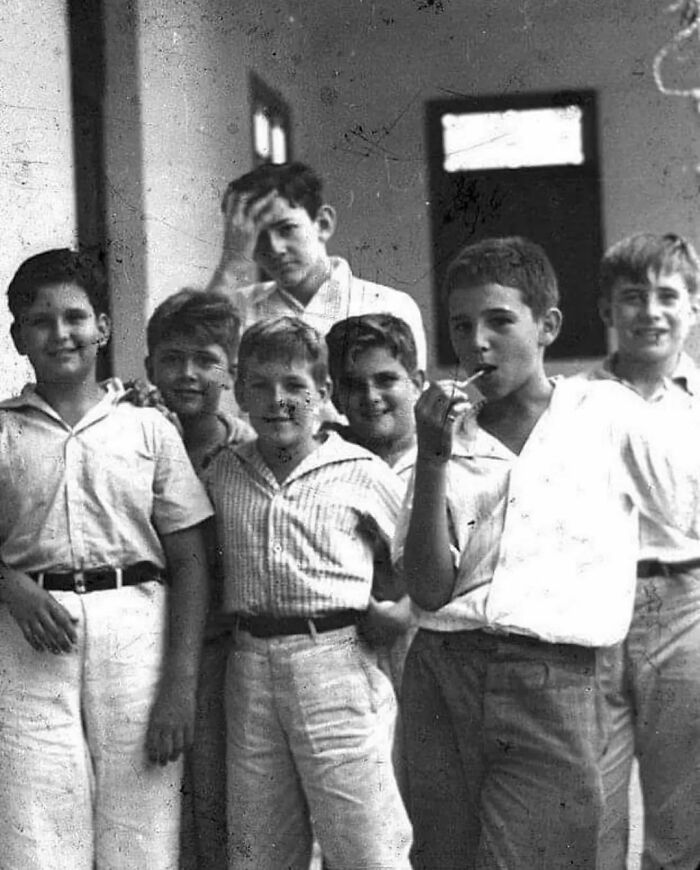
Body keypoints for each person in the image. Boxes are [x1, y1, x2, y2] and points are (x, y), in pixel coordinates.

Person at [396, 236, 700, 870]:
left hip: (551, 678)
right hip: (442, 673)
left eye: (499, 321)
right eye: (461, 326)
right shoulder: (450, 436)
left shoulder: (604, 412)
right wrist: (432, 455)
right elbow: (427, 588)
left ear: (548, 326)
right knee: (442, 858)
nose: (478, 342)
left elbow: (689, 508)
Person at [0, 248, 213, 870]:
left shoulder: (148, 428)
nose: (60, 334)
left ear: (103, 326)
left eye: (74, 317)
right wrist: (10, 585)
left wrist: (179, 683)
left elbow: (190, 559)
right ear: (17, 337)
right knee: (37, 837)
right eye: (40, 321)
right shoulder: (4, 431)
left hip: (136, 635)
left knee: (141, 836)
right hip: (28, 636)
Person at [204, 316, 412, 870]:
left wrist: (402, 609)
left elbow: (419, 562)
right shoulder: (223, 472)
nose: (278, 401)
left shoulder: (361, 471)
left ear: (323, 393)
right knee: (260, 849)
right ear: (239, 392)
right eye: (261, 385)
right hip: (250, 665)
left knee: (366, 845)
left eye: (295, 386)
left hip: (336, 660)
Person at [588, 232, 700, 870]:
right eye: (633, 297)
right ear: (607, 309)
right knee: (592, 801)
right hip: (597, 607)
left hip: (686, 606)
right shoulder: (574, 400)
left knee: (682, 807)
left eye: (667, 296)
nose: (650, 312)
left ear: (694, 307)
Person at [145, 288, 255, 870]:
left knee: (217, 803)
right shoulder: (132, 439)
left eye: (205, 360)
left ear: (231, 371)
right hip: (140, 646)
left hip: (221, 652)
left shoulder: (248, 453)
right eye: (172, 359)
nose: (187, 373)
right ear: (148, 367)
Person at [207, 160, 427, 370]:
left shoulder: (389, 305)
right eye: (257, 236)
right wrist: (232, 262)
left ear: (323, 223)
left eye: (286, 229)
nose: (275, 248)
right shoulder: (236, 309)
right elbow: (201, 370)